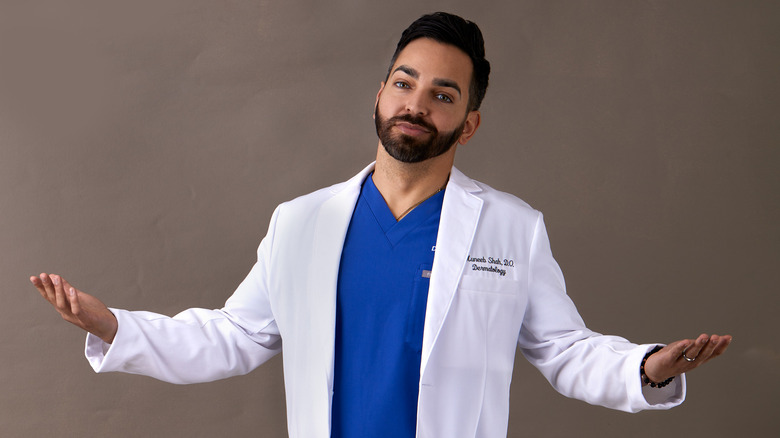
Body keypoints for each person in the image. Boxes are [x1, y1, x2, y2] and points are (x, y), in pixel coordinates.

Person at [30, 12, 731, 438]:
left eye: (442, 94)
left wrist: (645, 369)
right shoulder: (302, 222)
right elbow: (234, 336)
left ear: (469, 122)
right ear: (379, 94)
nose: (416, 103)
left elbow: (564, 350)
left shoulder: (512, 229)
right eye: (404, 82)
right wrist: (113, 326)